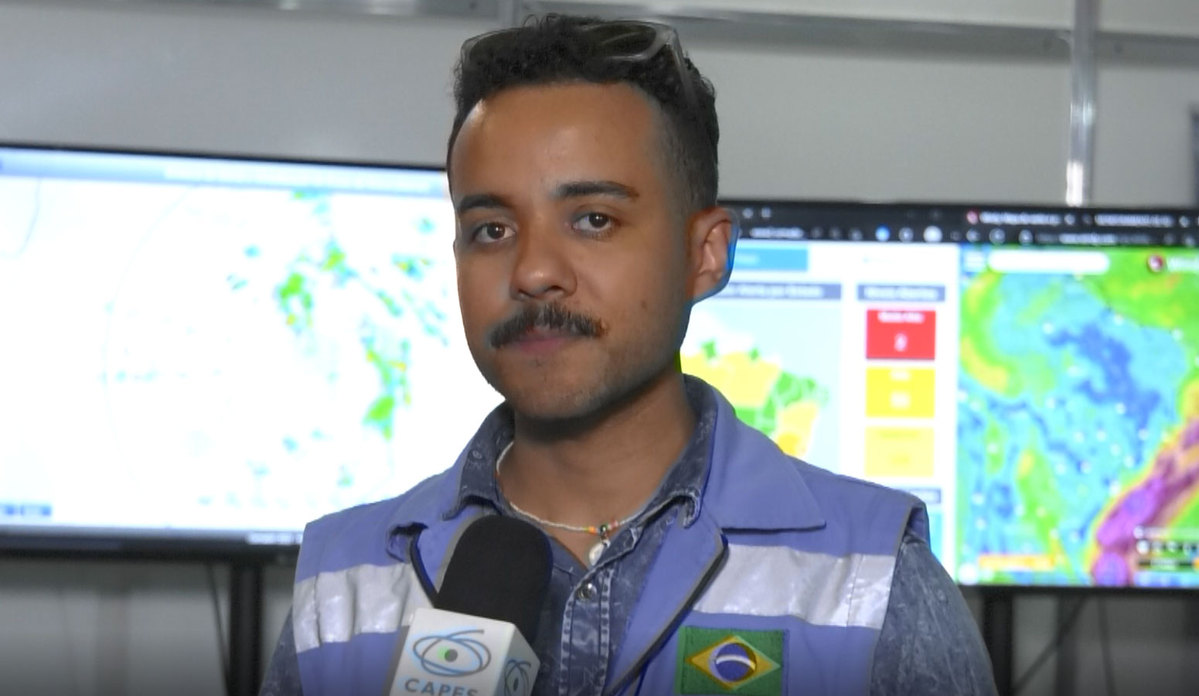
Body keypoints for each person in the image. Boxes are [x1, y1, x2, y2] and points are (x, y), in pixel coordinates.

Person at [260, 14, 997, 696]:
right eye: (491, 229)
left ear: (705, 254)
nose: (532, 271)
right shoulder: (342, 590)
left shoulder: (872, 583)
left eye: (592, 219)